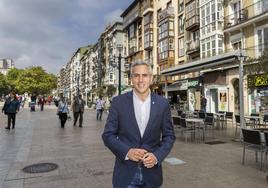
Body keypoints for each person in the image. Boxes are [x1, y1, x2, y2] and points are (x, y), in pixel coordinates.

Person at [102, 60, 176, 188]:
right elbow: (108, 135)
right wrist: (127, 152)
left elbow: (169, 136)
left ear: (151, 78)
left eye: (145, 75)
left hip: (152, 175)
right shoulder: (118, 102)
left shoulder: (162, 104)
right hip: (125, 174)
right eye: (136, 75)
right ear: (131, 79)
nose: (140, 80)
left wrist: (157, 156)